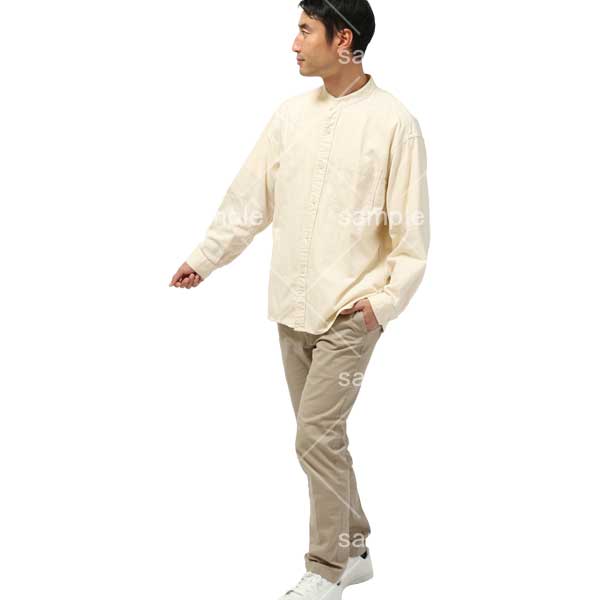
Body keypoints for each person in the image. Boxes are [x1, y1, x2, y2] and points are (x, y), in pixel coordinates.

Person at [169, 1, 430, 597]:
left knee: (314, 435)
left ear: (343, 40)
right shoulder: (290, 116)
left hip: (352, 311)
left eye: (305, 30)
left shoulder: (396, 123)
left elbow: (411, 231)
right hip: (291, 306)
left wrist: (383, 303)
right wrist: (205, 258)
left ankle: (327, 569)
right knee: (323, 438)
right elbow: (249, 198)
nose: (294, 43)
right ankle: (355, 546)